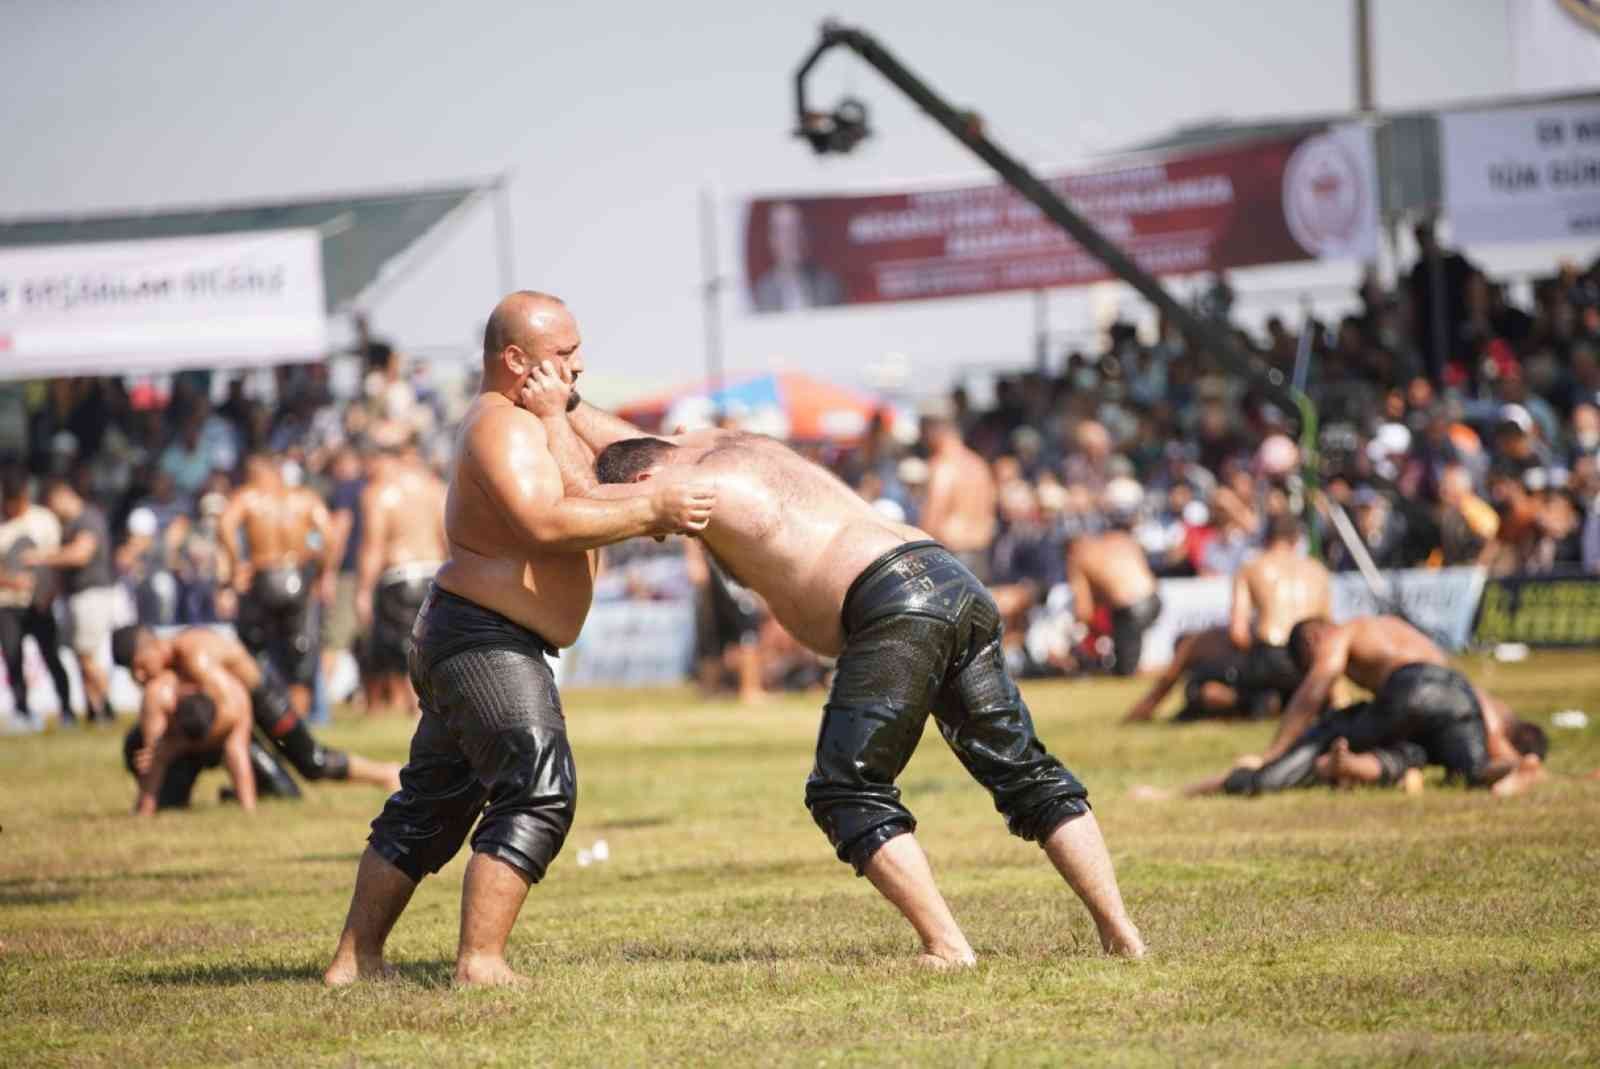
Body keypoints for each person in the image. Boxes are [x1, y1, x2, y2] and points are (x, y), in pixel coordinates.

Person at [572, 395, 1143, 967]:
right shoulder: (712, 442)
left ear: (648, 481)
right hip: (949, 574)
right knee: (1024, 771)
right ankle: (1123, 937)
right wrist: (561, 402)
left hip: (891, 600)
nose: (654, 534)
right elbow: (628, 446)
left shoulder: (691, 492)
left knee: (846, 789)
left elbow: (569, 508)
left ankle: (947, 947)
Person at [324, 292, 716, 988]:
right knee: (538, 788)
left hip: (481, 635)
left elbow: (637, 458)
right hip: (482, 637)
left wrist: (569, 416)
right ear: (516, 360)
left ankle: (354, 964)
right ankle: (480, 962)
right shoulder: (500, 425)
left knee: (431, 802)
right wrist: (647, 508)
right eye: (565, 354)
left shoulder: (536, 419)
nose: (579, 364)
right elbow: (544, 519)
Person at [1175, 616, 1546, 799]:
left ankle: (1273, 774)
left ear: (1313, 637)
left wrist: (1276, 750)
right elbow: (1455, 692)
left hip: (1410, 688)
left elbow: (1315, 688)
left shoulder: (1341, 633)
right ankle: (1518, 767)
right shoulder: (1393, 630)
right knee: (1469, 773)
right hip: (1454, 691)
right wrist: (1499, 741)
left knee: (1324, 734)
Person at [111, 625, 400, 793]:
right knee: (281, 790)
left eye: (139, 665)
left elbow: (227, 714)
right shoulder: (169, 668)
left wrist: (173, 746)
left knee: (313, 762)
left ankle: (385, 773)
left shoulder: (194, 656)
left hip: (263, 699)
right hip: (242, 708)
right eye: (131, 672)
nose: (139, 677)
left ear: (153, 647)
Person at [218, 452, 339, 722]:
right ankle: (298, 722)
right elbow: (329, 535)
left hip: (264, 575)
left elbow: (225, 524)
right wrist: (324, 572)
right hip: (297, 574)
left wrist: (237, 562)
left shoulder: (248, 497)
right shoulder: (304, 499)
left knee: (257, 648)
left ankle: (265, 715)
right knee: (300, 653)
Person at [124, 666, 301, 816]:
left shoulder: (233, 703)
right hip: (178, 753)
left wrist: (248, 808)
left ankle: (230, 795)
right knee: (168, 805)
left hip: (214, 742)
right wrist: (145, 809)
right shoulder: (159, 696)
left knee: (284, 792)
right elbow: (154, 762)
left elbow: (238, 756)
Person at [356, 441, 448, 716]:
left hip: (400, 576)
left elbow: (373, 546)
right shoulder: (435, 489)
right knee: (433, 643)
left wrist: (363, 589)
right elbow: (448, 536)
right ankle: (432, 708)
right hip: (435, 570)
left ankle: (419, 710)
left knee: (407, 647)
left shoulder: (380, 493)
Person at [33, 479, 121, 723]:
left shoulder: (88, 518)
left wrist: (42, 558)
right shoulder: (71, 524)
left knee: (86, 655)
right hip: (76, 596)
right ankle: (95, 708)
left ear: (62, 495)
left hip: (91, 594)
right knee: (82, 656)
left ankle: (106, 704)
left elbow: (81, 554)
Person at [1226, 514, 1330, 719]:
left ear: (1267, 537)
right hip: (1307, 660)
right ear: (1297, 539)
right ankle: (1293, 699)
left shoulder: (1250, 568)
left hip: (1269, 657)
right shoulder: (1318, 570)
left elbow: (1238, 633)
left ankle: (1265, 699)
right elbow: (1327, 628)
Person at [0, 469, 74, 724]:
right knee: (12, 657)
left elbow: (57, 560)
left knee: (51, 655)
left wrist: (50, 592)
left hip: (41, 601)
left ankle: (67, 709)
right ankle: (22, 711)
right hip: (7, 603)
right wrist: (10, 580)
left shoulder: (43, 520)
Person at [1066, 479, 1161, 676]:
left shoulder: (1077, 556)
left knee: (1125, 672)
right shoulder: (1118, 539)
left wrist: (1083, 635)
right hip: (1153, 599)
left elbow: (1084, 611)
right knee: (1125, 660)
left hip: (1130, 609)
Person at [919, 404, 997, 582]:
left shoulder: (943, 466)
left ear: (933, 430)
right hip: (981, 555)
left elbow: (933, 514)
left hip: (952, 557)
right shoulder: (979, 465)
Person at [1122, 626, 1251, 723]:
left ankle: (1245, 704)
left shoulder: (1188, 644)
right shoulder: (1213, 637)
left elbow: (1164, 685)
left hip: (1234, 685)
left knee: (1197, 691)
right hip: (1246, 679)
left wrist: (1133, 717)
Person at [749, 202, 844, 313]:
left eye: (798, 228)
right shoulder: (761, 292)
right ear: (773, 240)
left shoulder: (829, 286)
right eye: (785, 231)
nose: (793, 239)